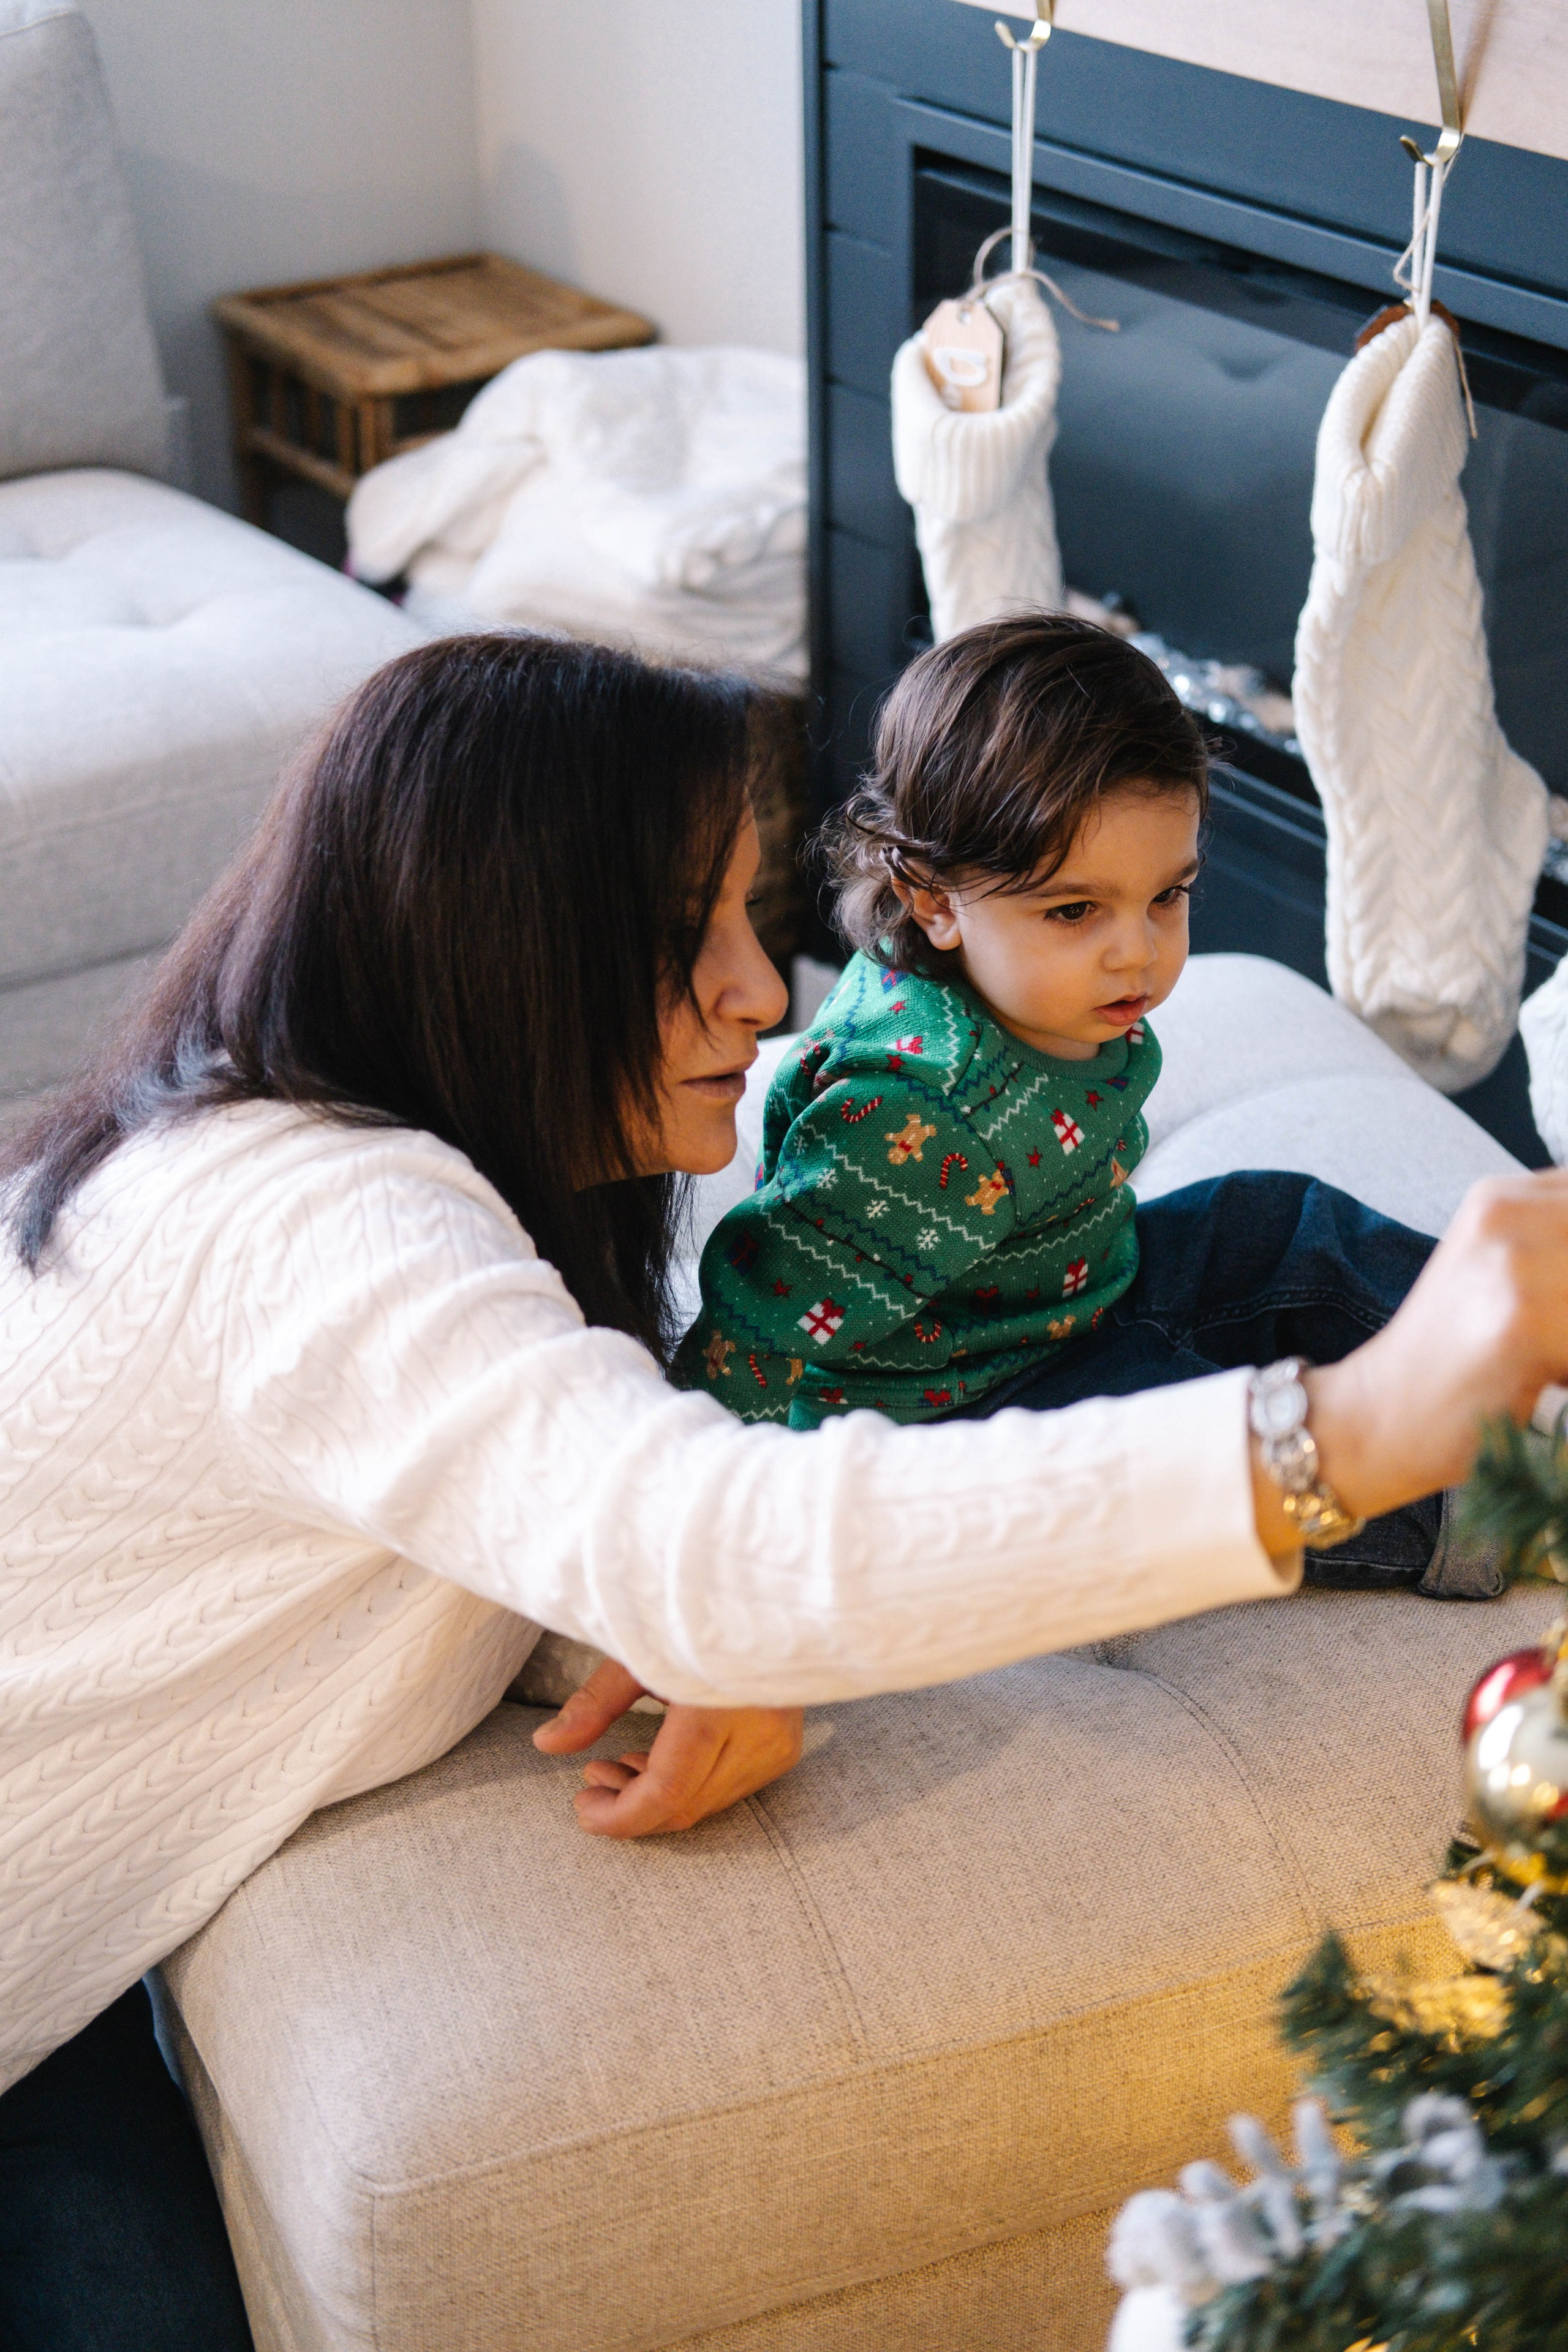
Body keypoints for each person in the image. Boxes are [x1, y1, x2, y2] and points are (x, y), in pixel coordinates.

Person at [4, 633, 1568, 2347]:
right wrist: (1344, 1428)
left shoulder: (406, 1203)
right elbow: (715, 1535)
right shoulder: (323, 1230)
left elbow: (533, 1512)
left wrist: (690, 1644)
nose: (768, 992)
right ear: (512, 944)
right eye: (703, 934)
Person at [677, 616, 1453, 1592]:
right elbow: (760, 1320)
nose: (1137, 951)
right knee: (1199, 1456)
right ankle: (1501, 1505)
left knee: (1276, 1217)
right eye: (1075, 911)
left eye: (1167, 895)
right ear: (934, 902)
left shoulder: (1038, 989)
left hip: (1068, 1287)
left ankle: (1505, 1337)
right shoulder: (909, 1122)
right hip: (963, 1418)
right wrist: (705, 1528)